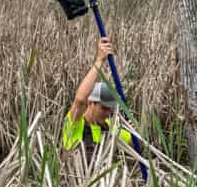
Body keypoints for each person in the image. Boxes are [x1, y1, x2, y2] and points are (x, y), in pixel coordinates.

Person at [62, 36, 145, 172]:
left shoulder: (110, 128)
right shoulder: (74, 124)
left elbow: (137, 143)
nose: (108, 113)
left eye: (111, 109)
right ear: (91, 103)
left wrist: (135, 132)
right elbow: (80, 100)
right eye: (104, 107)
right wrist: (99, 60)